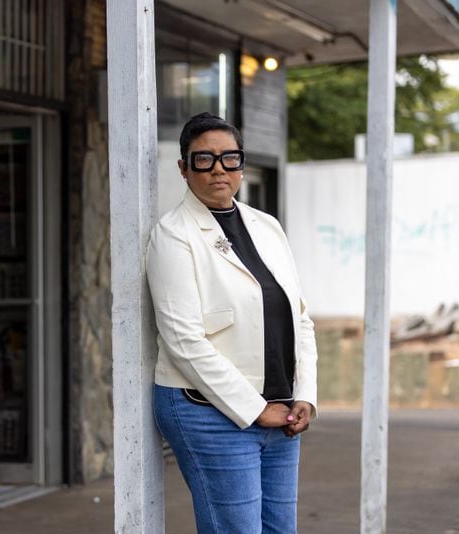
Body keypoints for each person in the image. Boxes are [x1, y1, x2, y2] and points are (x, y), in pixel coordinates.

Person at [146, 112, 318, 534]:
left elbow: (300, 318)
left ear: (241, 163)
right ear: (184, 168)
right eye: (203, 159)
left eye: (229, 158)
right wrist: (256, 409)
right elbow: (184, 340)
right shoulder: (173, 234)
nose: (218, 169)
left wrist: (306, 396)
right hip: (208, 410)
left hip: (281, 409)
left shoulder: (267, 226)